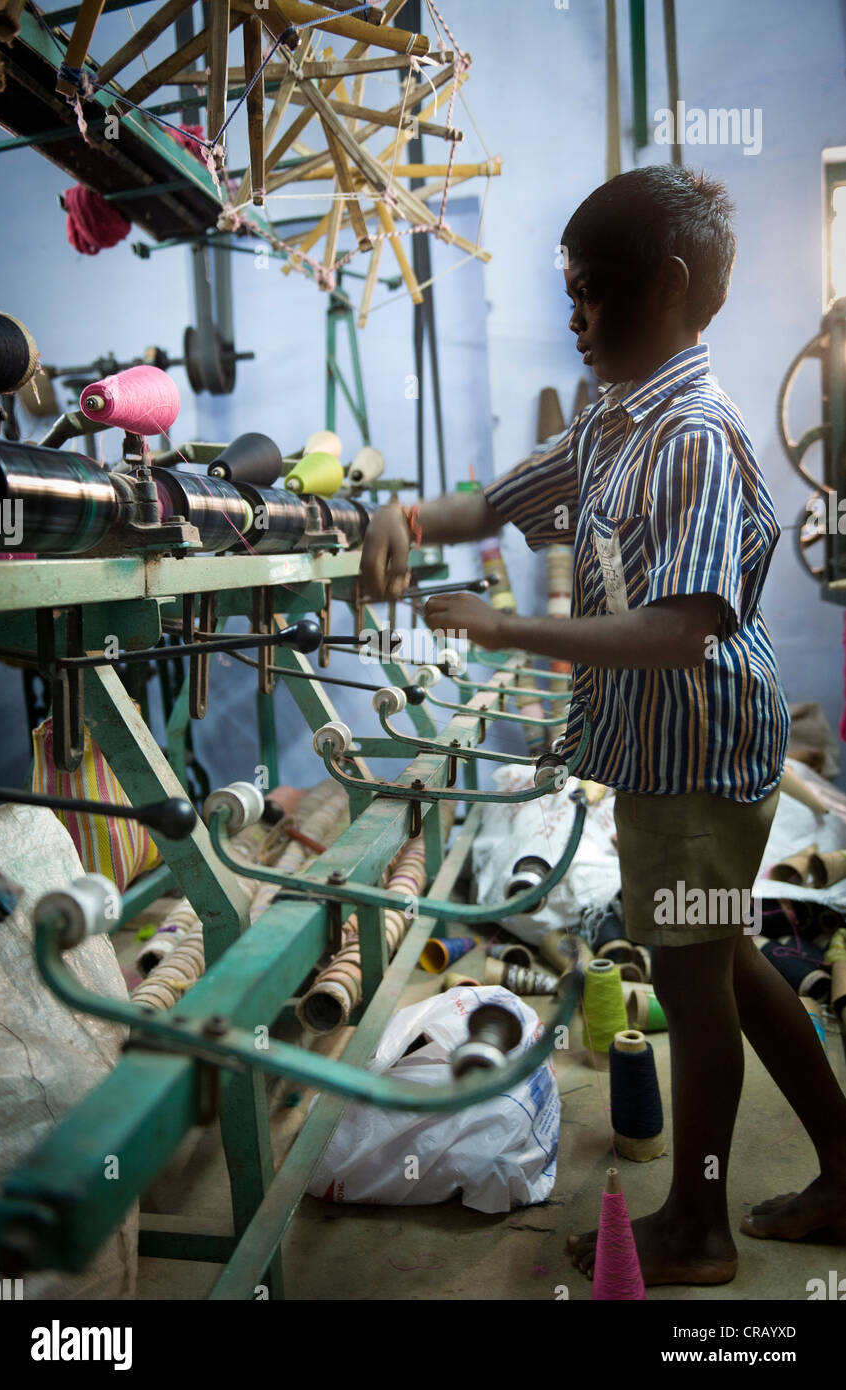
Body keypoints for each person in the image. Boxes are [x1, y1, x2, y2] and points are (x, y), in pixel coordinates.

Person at [360, 165, 846, 1286]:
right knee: (717, 950)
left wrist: (501, 630)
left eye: (593, 292)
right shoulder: (610, 421)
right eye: (566, 291)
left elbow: (678, 630)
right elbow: (498, 502)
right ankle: (842, 1158)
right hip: (661, 742)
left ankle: (698, 1223)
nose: (572, 316)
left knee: (689, 978)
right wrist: (402, 513)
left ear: (668, 288)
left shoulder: (694, 435)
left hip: (697, 744)